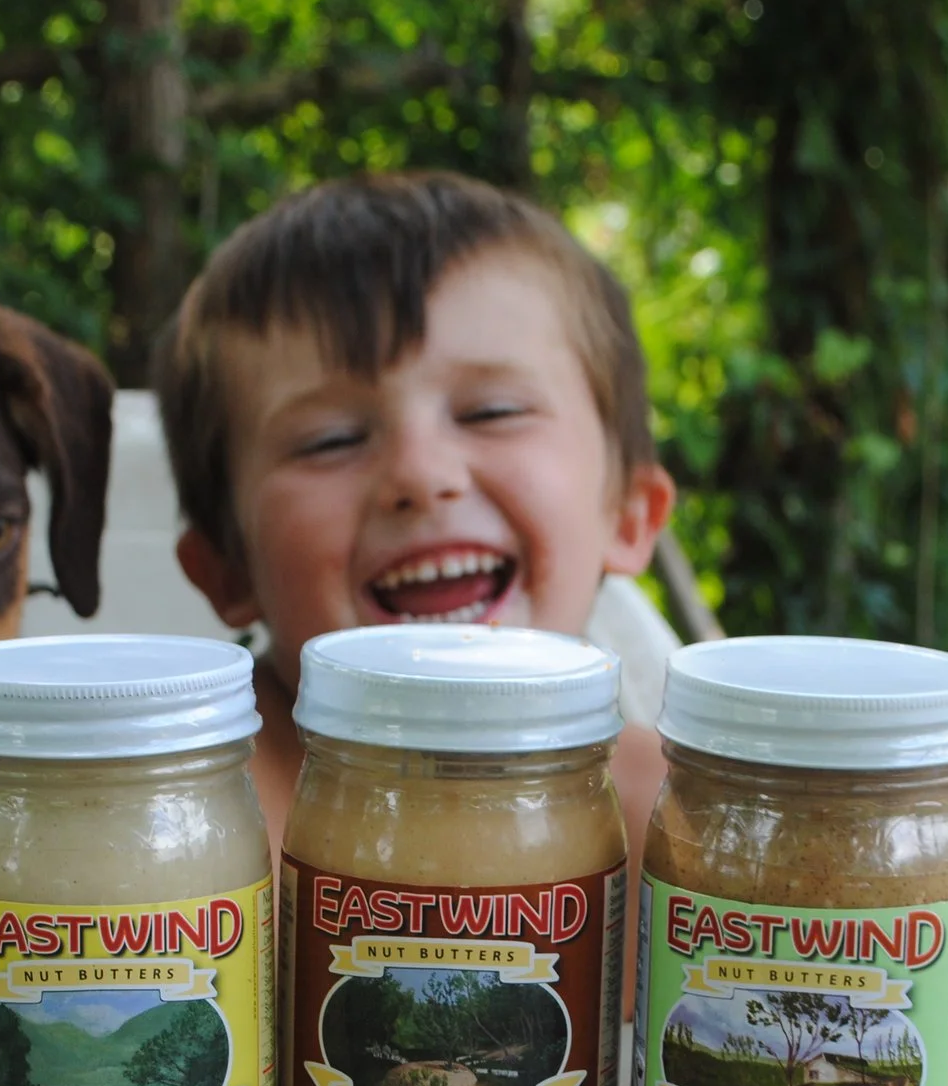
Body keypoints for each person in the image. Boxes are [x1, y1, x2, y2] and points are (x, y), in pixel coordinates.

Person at [154, 170, 678, 856]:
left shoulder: (677, 824)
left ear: (629, 516)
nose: (420, 476)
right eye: (331, 441)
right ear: (226, 570)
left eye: (492, 412)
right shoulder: (195, 817)